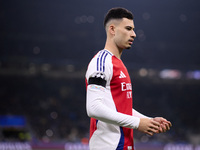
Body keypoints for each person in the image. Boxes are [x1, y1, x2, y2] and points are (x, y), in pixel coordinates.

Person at [85, 7, 172, 150]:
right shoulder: (101, 62)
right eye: (128, 28)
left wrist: (148, 121)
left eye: (133, 29)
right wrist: (138, 123)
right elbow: (93, 108)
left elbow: (119, 108)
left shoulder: (119, 64)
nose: (134, 34)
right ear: (112, 29)